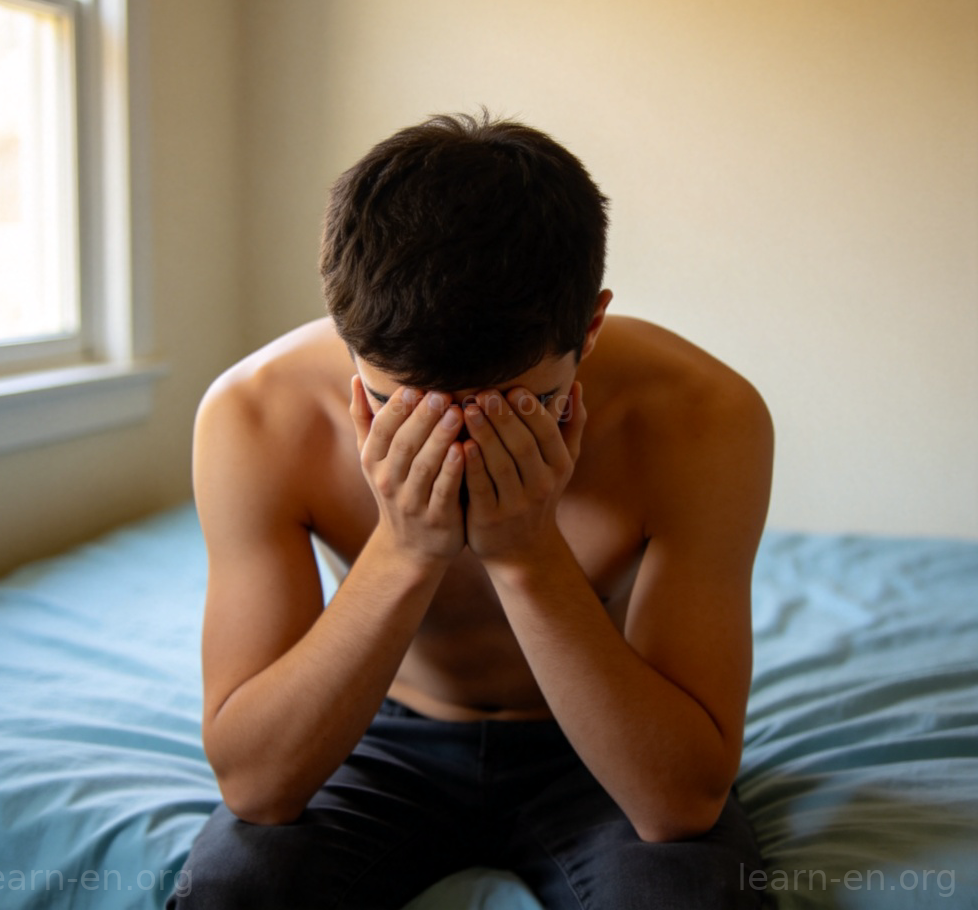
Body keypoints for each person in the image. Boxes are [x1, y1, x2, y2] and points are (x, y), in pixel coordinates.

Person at [168, 112, 773, 909]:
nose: (458, 450)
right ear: (346, 336)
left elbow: (679, 802)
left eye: (521, 408)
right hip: (371, 727)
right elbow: (255, 786)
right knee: (234, 894)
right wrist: (405, 549)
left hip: (607, 725)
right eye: (395, 406)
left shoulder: (702, 416)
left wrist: (526, 554)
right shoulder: (257, 417)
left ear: (589, 329)